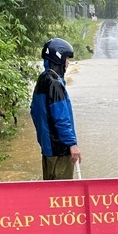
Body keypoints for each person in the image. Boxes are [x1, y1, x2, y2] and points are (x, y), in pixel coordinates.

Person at [30, 37, 82, 180]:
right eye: (66, 59)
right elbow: (61, 118)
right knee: (63, 196)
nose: (68, 63)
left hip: (48, 150)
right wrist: (72, 144)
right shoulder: (55, 84)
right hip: (60, 150)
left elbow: (34, 112)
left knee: (50, 194)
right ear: (58, 58)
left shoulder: (42, 80)